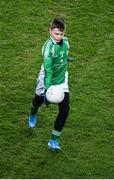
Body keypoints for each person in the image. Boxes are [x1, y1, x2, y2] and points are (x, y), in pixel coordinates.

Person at [28, 18, 71, 151]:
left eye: (61, 34)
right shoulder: (47, 49)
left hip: (62, 80)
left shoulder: (67, 42)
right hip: (47, 78)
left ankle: (53, 141)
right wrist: (47, 89)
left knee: (65, 109)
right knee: (39, 99)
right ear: (50, 31)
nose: (59, 37)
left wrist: (65, 59)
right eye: (56, 33)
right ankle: (33, 112)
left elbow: (63, 53)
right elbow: (48, 69)